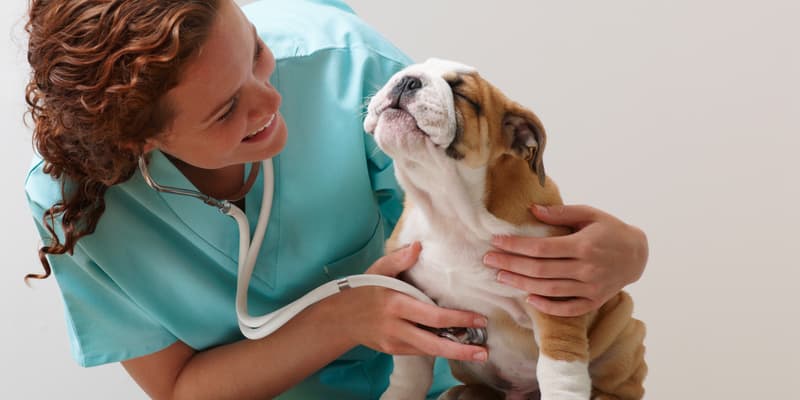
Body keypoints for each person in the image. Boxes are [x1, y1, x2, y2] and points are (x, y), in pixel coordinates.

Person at [23, 0, 649, 399]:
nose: (269, 100)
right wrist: (345, 318)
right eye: (224, 111)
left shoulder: (343, 63)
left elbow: (499, 205)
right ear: (140, 140)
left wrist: (628, 252)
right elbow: (182, 389)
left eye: (256, 53)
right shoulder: (75, 203)